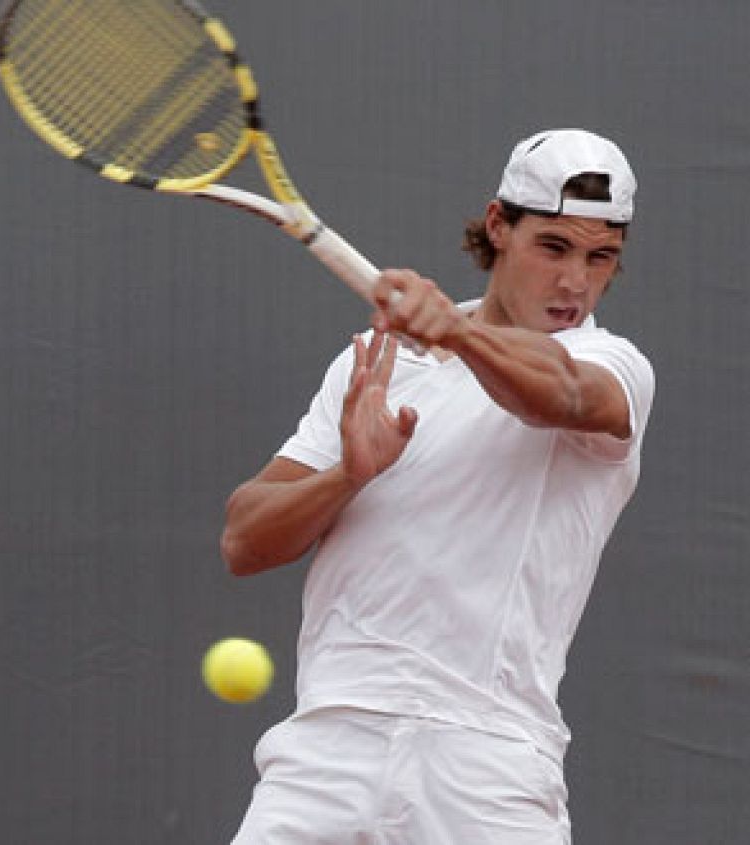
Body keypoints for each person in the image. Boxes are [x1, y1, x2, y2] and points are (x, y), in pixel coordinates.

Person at [220, 128, 653, 843]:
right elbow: (244, 539)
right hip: (328, 749)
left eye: (600, 257)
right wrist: (348, 475)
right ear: (498, 226)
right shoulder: (376, 362)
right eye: (553, 247)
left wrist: (455, 332)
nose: (576, 281)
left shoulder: (613, 363)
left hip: (486, 766)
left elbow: (565, 393)